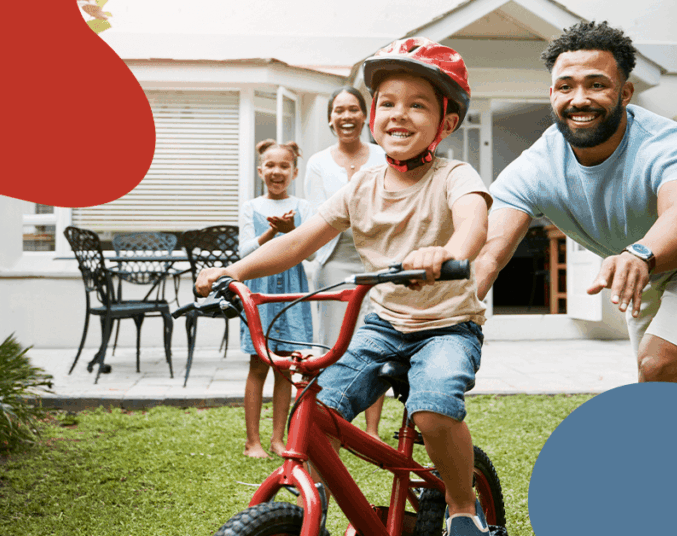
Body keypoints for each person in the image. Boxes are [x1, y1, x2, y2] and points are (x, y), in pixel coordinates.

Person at [198, 37, 502, 536]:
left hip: (446, 326)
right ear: (371, 116)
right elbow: (297, 242)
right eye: (387, 103)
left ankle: (464, 506)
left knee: (433, 408)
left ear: (445, 124)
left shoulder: (454, 175)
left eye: (417, 105)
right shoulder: (361, 183)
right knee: (319, 409)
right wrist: (235, 271)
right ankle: (316, 507)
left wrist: (449, 254)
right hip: (383, 324)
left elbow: (474, 221)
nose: (398, 114)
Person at [473, 21, 677, 385]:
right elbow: (488, 253)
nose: (579, 99)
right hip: (643, 267)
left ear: (625, 93)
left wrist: (638, 255)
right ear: (552, 94)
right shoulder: (537, 165)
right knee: (667, 380)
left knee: (657, 368)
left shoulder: (667, 144)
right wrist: (455, 311)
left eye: (597, 85)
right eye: (565, 87)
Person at [304, 86, 387, 440]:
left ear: (365, 116)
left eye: (353, 109)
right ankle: (333, 422)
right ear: (330, 119)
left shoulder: (384, 156)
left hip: (377, 261)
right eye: (339, 110)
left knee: (377, 340)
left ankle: (371, 430)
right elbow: (316, 215)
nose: (346, 116)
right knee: (334, 344)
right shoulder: (318, 163)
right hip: (334, 261)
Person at [238, 139, 314, 458]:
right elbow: (242, 253)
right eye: (270, 165)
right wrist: (271, 233)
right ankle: (252, 441)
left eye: (284, 165)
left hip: (291, 296)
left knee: (285, 368)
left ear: (294, 171)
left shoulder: (304, 208)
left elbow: (311, 253)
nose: (276, 171)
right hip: (262, 295)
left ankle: (277, 439)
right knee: (259, 365)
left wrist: (294, 229)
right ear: (260, 171)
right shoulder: (251, 208)